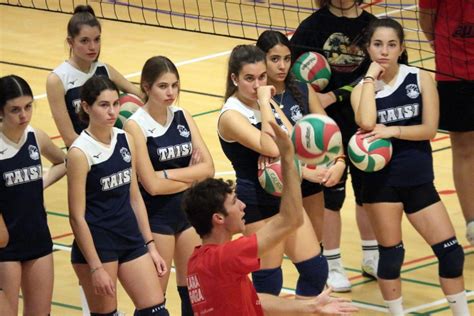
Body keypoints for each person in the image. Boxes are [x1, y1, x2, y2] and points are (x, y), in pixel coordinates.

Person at [351, 18, 469, 316]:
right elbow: (365, 122)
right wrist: (369, 78)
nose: (384, 51)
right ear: (367, 48)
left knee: (451, 254)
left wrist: (393, 131)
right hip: (381, 183)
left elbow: (429, 129)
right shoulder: (360, 90)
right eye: (377, 44)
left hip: (418, 179)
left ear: (402, 47)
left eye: (392, 44)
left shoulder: (420, 79)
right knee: (391, 257)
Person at [183, 121, 358, 315]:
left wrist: (310, 307)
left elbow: (256, 299)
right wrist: (289, 160)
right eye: (234, 202)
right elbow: (291, 219)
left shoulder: (197, 261)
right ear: (218, 218)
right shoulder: (227, 257)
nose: (242, 206)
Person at [218, 44, 328, 299]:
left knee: (315, 271)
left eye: (261, 77)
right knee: (269, 282)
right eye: (249, 78)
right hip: (257, 202)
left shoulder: (266, 104)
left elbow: (293, 140)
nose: (257, 85)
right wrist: (266, 102)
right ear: (234, 79)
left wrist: (312, 169)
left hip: (286, 196)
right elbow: (270, 145)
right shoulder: (231, 115)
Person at [290, 0, 379, 292]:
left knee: (368, 193)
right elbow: (293, 76)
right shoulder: (312, 28)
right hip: (325, 128)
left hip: (366, 120)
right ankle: (332, 263)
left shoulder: (372, 26)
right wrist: (316, 98)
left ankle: (371, 255)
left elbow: (383, 73)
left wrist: (337, 94)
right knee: (332, 196)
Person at [67, 76, 169, 315]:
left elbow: (135, 198)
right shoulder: (80, 153)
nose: (112, 111)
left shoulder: (125, 139)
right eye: (104, 105)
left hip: (130, 238)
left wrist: (151, 246)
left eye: (115, 104)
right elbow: (76, 217)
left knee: (157, 311)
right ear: (86, 107)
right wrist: (95, 267)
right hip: (99, 245)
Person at [125, 56, 214, 315]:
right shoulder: (135, 125)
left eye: (174, 85)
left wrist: (165, 175)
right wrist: (190, 176)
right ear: (146, 87)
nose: (171, 92)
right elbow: (151, 186)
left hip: (188, 215)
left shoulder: (182, 115)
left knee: (193, 293)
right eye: (163, 86)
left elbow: (207, 169)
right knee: (153, 302)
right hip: (157, 219)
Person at [256, 30, 346, 244]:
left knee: (316, 249)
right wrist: (304, 171)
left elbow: (329, 132)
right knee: (277, 256)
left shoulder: (303, 90)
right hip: (277, 183)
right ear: (261, 60)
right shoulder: (256, 97)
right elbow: (267, 148)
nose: (282, 66)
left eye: (287, 59)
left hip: (311, 182)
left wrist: (339, 162)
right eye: (275, 59)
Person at [0, 75, 66, 315]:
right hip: (5, 246)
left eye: (28, 107)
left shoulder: (35, 137)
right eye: (15, 110)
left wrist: (41, 182)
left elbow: (63, 162)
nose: (24, 116)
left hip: (38, 238)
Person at [47, 4, 143, 148]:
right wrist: (102, 152)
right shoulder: (57, 80)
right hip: (83, 154)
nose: (92, 47)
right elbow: (69, 138)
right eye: (84, 41)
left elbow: (141, 95)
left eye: (97, 39)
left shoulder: (104, 70)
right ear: (70, 42)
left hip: (113, 148)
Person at [418, 0, 474, 245]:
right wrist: (443, 45)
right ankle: (473, 222)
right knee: (464, 148)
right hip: (455, 69)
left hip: (453, 62)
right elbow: (427, 18)